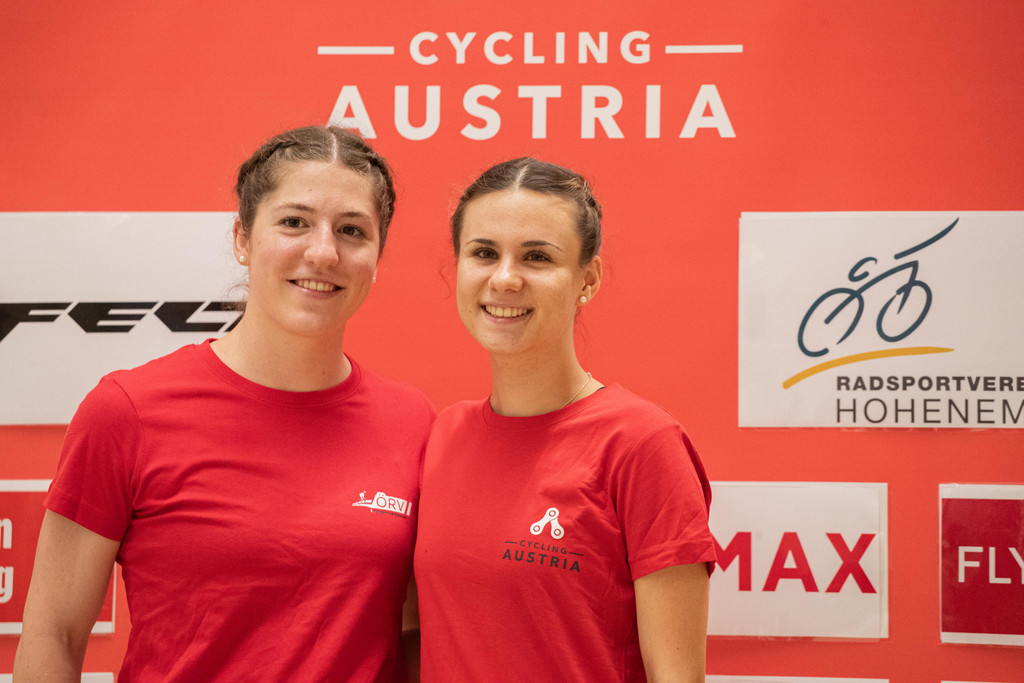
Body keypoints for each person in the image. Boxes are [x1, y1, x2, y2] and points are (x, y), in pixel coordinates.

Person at [14, 126, 434, 681]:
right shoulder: (127, 412)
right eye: (294, 222)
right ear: (242, 238)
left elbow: (412, 634)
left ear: (377, 257)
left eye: (352, 230)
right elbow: (54, 635)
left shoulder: (413, 423)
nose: (323, 251)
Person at [413, 158, 716, 681]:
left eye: (537, 257)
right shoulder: (443, 435)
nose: (505, 279)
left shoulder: (642, 443)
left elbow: (678, 677)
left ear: (587, 279)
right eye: (484, 253)